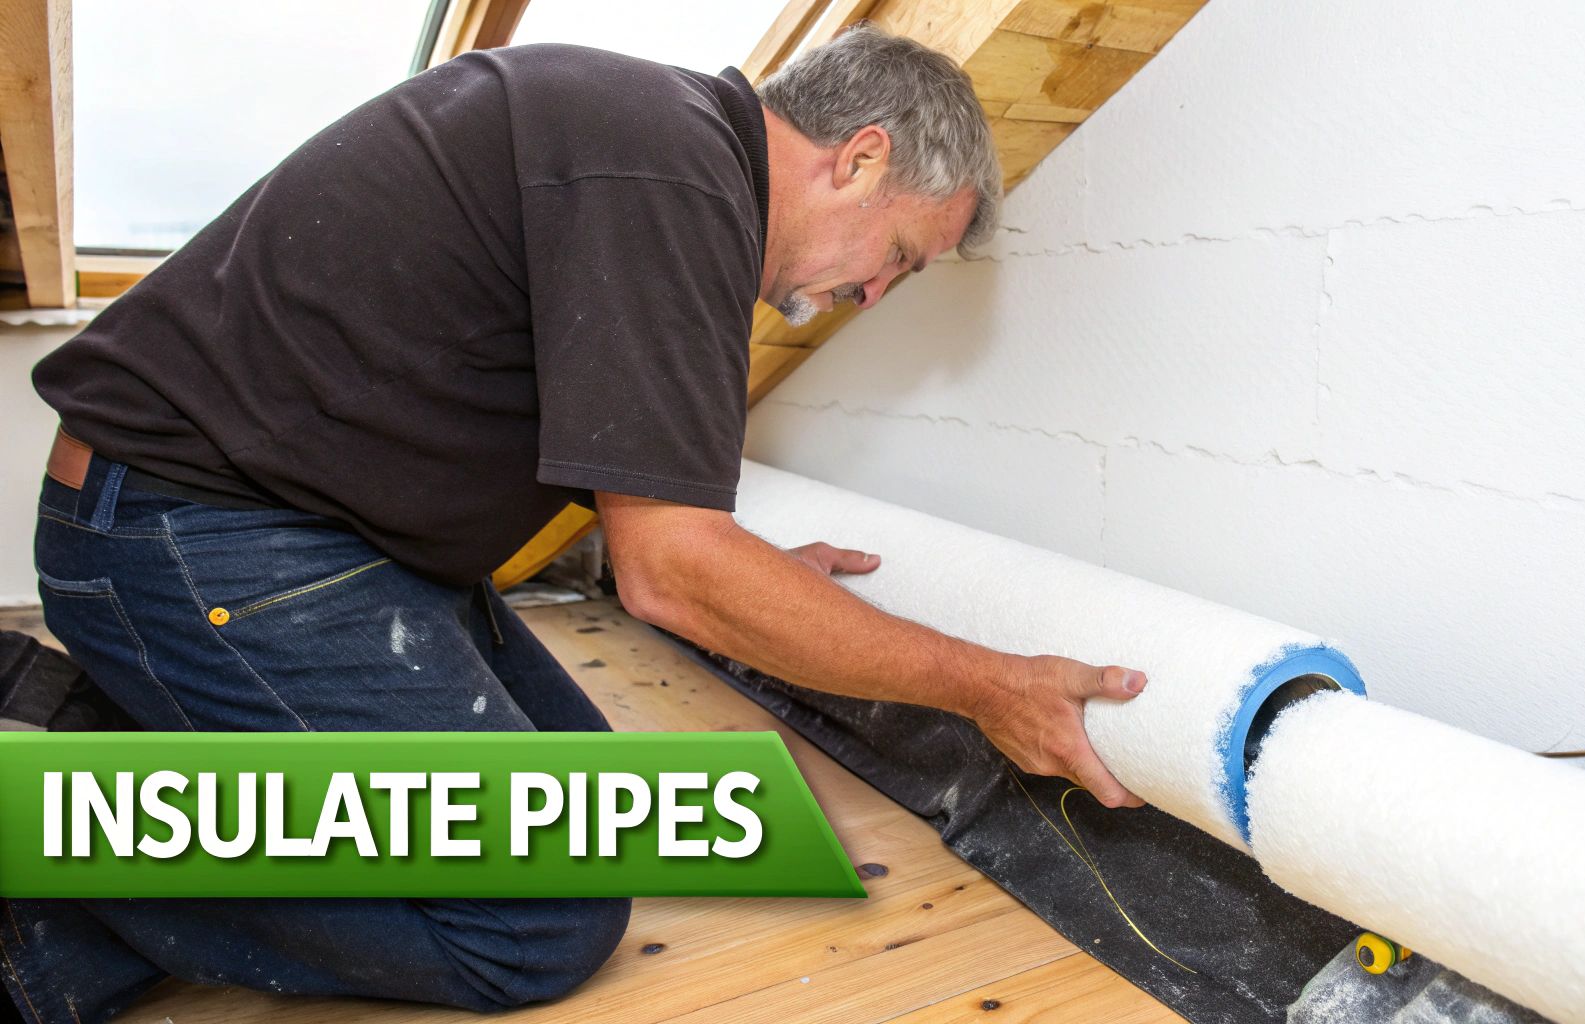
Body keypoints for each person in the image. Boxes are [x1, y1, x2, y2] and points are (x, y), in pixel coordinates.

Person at [3, 27, 1147, 1023]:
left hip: (318, 538)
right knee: (538, 916)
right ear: (859, 160)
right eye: (899, 254)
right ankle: (45, 863)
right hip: (186, 530)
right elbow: (668, 573)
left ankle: (109, 732)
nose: (875, 294)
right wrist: (988, 684)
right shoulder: (674, 179)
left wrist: (746, 573)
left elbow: (644, 517)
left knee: (583, 814)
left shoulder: (661, 151)